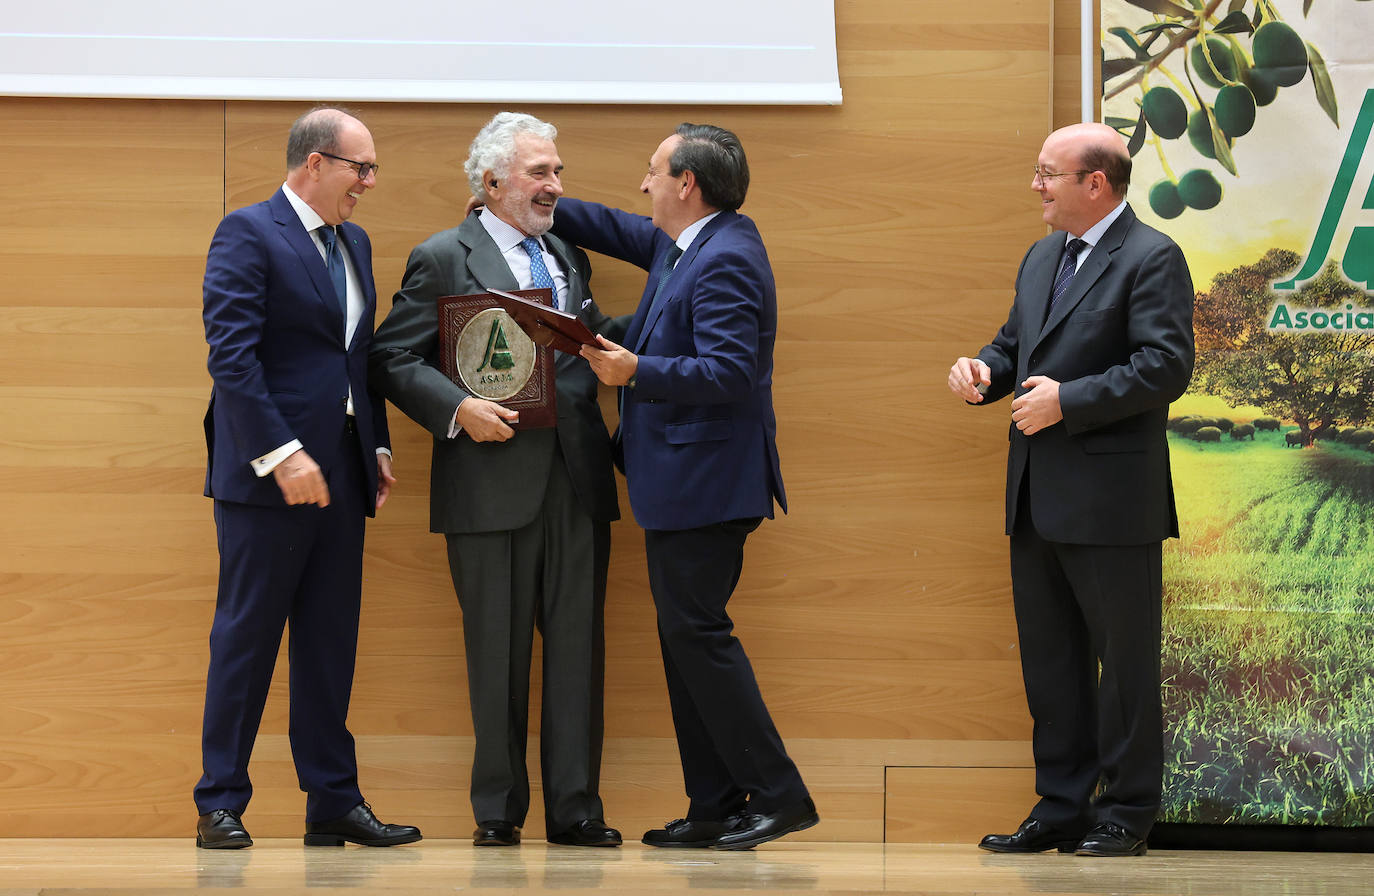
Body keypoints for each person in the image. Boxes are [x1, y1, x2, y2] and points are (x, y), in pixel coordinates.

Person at [552, 123, 817, 850]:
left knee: (699, 636)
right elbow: (616, 227)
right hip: (683, 483)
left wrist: (635, 370)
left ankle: (781, 795)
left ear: (686, 184)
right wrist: (539, 199)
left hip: (707, 486)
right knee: (685, 643)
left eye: (651, 172)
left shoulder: (725, 257)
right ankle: (715, 803)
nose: (643, 185)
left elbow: (730, 373)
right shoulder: (690, 243)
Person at [369, 112, 625, 849]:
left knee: (579, 653)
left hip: (576, 481)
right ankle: (498, 812)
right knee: (496, 655)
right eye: (541, 172)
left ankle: (576, 810)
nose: (556, 185)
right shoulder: (442, 256)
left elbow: (590, 341)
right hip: (485, 485)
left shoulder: (569, 256)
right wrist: (458, 410)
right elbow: (392, 357)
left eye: (558, 171)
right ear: (492, 182)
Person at [947, 122, 1195, 857]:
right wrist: (984, 371)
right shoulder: (1042, 255)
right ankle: (1061, 808)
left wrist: (1069, 400)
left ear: (1096, 183)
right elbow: (1013, 343)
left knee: (1122, 670)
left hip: (1113, 503)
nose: (1036, 186)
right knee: (1051, 667)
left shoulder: (1153, 256)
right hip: (1036, 497)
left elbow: (1165, 367)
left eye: (1047, 173)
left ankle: (1126, 813)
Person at [195, 106, 420, 849]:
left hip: (343, 479)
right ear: (315, 163)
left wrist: (377, 447)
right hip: (266, 482)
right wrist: (280, 451)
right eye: (362, 167)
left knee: (330, 646)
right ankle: (220, 802)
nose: (370, 183)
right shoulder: (247, 233)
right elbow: (232, 356)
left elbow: (356, 361)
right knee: (246, 640)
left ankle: (332, 801)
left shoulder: (354, 242)